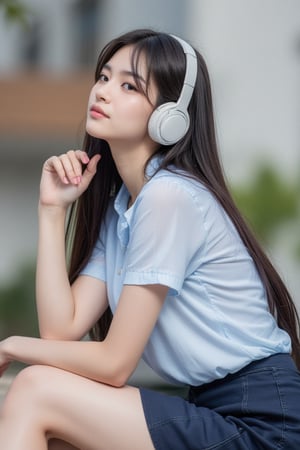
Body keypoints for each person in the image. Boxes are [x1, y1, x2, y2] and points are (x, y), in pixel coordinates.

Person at [0, 28, 299, 450]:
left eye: (128, 86)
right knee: (53, 423)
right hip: (215, 409)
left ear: (170, 116)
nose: (102, 92)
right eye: (103, 78)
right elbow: (60, 330)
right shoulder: (127, 208)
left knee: (35, 390)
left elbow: (114, 365)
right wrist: (52, 211)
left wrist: (13, 344)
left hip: (263, 423)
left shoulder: (169, 198)